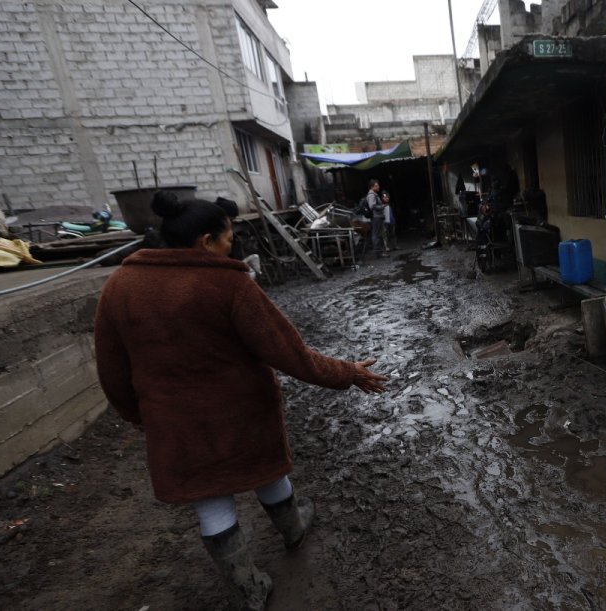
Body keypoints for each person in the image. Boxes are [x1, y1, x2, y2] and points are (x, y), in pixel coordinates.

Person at [94, 190, 388, 611]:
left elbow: (111, 367)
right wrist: (348, 372)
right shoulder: (227, 283)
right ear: (206, 242)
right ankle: (293, 528)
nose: (231, 246)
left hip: (174, 421)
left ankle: (247, 586)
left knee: (210, 498)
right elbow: (289, 352)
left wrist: (136, 414)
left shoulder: (120, 287)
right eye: (228, 238)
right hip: (242, 411)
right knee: (265, 468)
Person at [365, 179, 384, 256]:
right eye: (376, 185)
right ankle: (378, 252)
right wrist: (382, 206)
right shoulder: (371, 195)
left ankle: (379, 251)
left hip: (377, 216)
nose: (378, 187)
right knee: (376, 235)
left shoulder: (374, 194)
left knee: (378, 234)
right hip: (376, 217)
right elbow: (372, 206)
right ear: (372, 187)